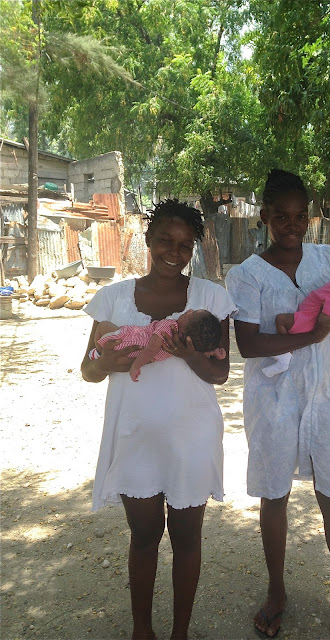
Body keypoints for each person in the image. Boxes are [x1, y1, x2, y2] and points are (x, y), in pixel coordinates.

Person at [225, 169, 330, 640]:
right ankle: (276, 591)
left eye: (299, 216)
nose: (291, 225)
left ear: (309, 217)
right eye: (281, 216)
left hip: (328, 394)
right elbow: (249, 345)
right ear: (265, 216)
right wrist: (311, 334)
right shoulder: (246, 275)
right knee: (275, 496)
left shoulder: (329, 259)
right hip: (274, 400)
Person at [81, 199, 236, 640]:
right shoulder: (112, 298)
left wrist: (188, 355)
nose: (174, 252)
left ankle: (179, 632)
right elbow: (88, 370)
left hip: (192, 440)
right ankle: (141, 630)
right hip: (135, 439)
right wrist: (105, 363)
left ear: (194, 250)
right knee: (144, 537)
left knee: (187, 539)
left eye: (185, 245)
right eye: (165, 240)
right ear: (147, 239)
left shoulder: (211, 297)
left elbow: (220, 373)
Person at [91, 309, 226, 382]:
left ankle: (98, 352)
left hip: (128, 341)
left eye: (190, 314)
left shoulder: (169, 326)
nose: (189, 310)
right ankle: (99, 353)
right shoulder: (184, 345)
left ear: (183, 332)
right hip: (136, 353)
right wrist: (213, 352)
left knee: (103, 326)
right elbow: (199, 349)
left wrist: (136, 366)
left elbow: (151, 349)